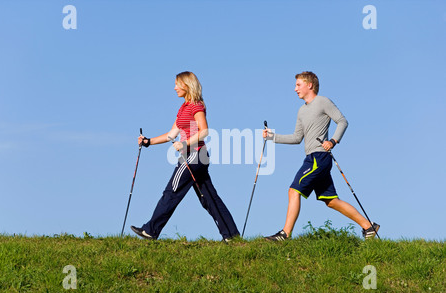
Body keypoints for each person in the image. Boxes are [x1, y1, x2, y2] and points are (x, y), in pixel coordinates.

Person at [263, 71, 380, 241]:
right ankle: (369, 226)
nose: (295, 89)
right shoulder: (301, 111)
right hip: (311, 158)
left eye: (298, 85)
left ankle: (285, 234)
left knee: (293, 190)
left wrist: (333, 141)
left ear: (309, 85)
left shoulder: (323, 102)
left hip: (319, 158)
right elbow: (296, 138)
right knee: (331, 201)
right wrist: (272, 137)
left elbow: (342, 121)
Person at [130, 71, 240, 242]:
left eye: (177, 84)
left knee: (171, 191)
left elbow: (204, 131)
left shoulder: (196, 106)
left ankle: (151, 231)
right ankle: (232, 236)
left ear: (186, 85)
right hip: (194, 157)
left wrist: (185, 144)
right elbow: (171, 134)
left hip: (194, 156)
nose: (174, 88)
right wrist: (148, 142)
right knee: (209, 197)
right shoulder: (183, 107)